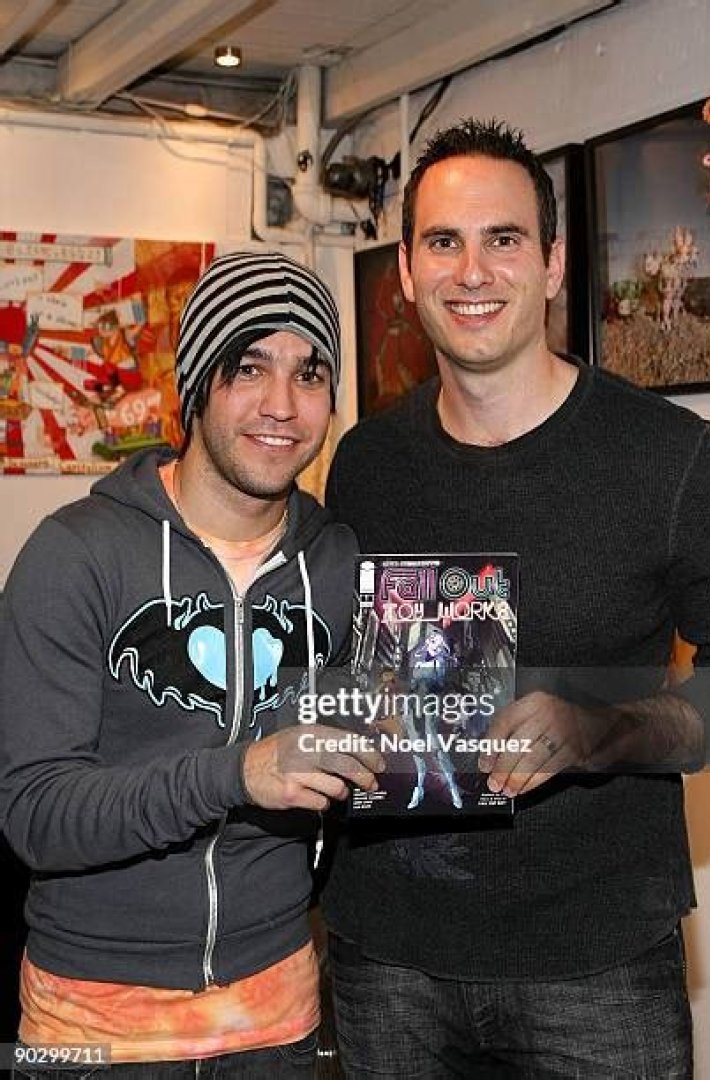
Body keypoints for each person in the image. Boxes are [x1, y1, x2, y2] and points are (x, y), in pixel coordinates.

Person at [321, 120, 710, 1078]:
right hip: (389, 955)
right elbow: (350, 668)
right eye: (442, 242)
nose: (473, 271)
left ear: (552, 263)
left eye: (502, 238)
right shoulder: (364, 463)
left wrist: (601, 731)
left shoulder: (670, 458)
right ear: (406, 272)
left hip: (598, 963)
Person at [0, 250, 382, 1079]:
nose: (281, 404)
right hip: (93, 1022)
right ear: (198, 385)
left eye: (310, 374)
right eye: (249, 367)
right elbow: (35, 814)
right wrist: (237, 773)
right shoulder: (75, 555)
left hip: (275, 1020)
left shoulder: (341, 564)